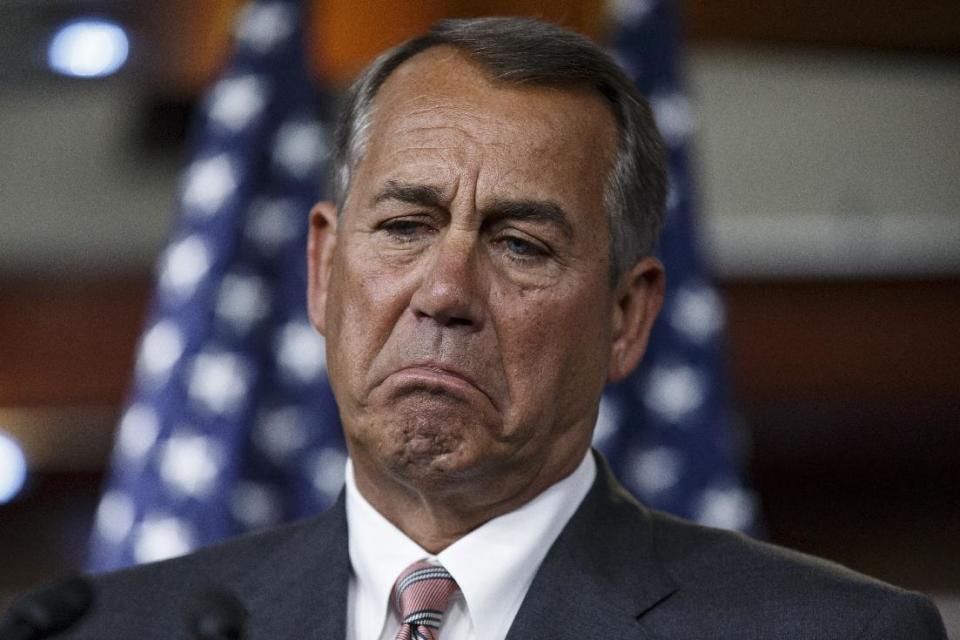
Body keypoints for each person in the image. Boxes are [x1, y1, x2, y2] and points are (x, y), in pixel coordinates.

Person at [3, 16, 946, 640]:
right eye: (406, 227)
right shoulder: (113, 630)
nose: (445, 291)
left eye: (521, 244)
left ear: (627, 316)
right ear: (325, 269)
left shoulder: (829, 634)